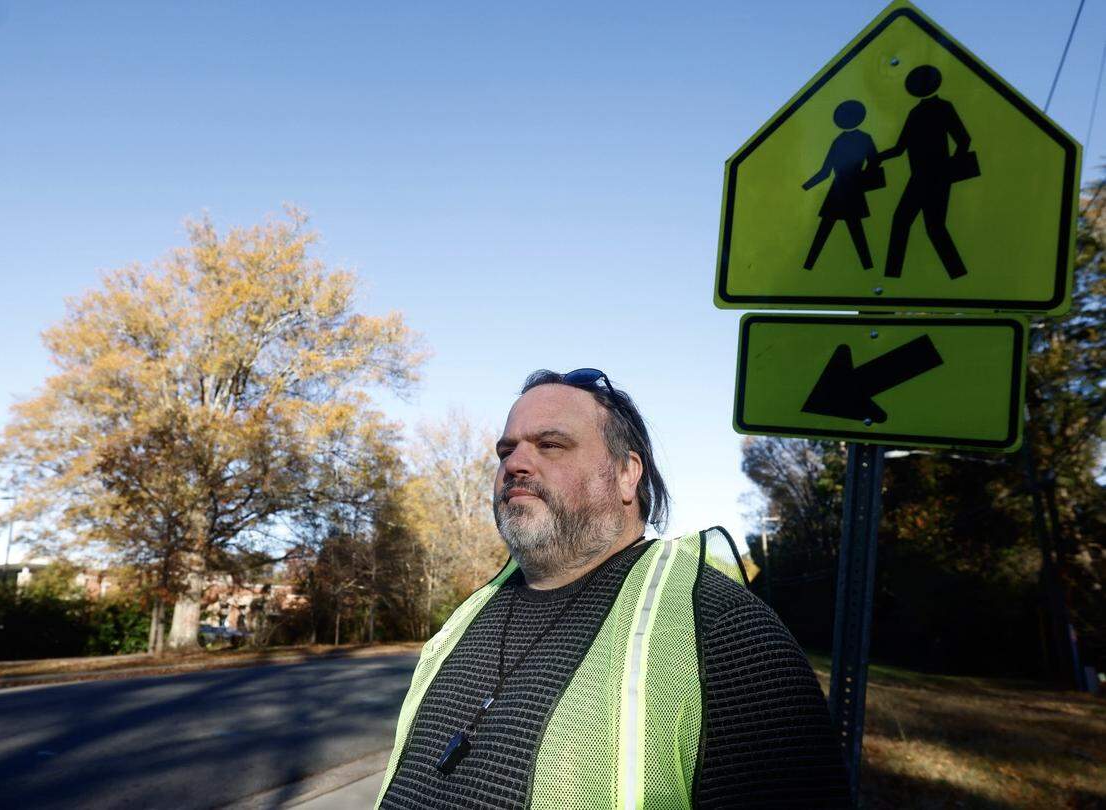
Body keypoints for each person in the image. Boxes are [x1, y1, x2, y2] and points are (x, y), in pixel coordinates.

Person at [375, 368, 851, 809]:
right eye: (507, 450)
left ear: (627, 474)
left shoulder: (729, 631)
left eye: (551, 445)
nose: (515, 463)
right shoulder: (468, 614)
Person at [876, 64, 975, 279]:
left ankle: (957, 274)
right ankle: (893, 276)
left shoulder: (943, 107)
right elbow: (900, 148)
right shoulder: (915, 112)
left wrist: (950, 168)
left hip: (937, 177)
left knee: (931, 226)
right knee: (909, 222)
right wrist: (878, 157)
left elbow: (963, 139)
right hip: (919, 177)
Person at [802, 99, 880, 271]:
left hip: (842, 192)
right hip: (845, 192)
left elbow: (825, 172)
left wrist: (806, 187)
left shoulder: (845, 140)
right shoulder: (854, 139)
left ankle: (808, 266)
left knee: (850, 231)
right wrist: (805, 187)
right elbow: (826, 171)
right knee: (841, 230)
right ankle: (868, 269)